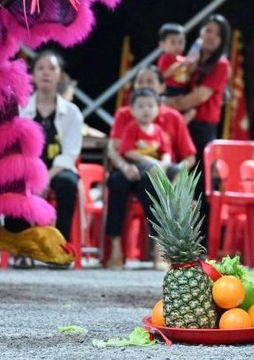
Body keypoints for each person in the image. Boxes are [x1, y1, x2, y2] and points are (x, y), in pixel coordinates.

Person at [105, 65, 196, 269]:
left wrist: (172, 173)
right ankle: (116, 249)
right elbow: (116, 148)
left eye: (150, 82)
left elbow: (188, 157)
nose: (145, 86)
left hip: (159, 174)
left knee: (155, 182)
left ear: (162, 87)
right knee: (117, 182)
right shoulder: (125, 115)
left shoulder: (172, 116)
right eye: (140, 82)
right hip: (129, 171)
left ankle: (161, 249)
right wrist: (125, 166)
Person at [163, 14, 231, 242]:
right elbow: (169, 78)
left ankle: (201, 245)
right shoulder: (191, 59)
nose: (209, 36)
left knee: (200, 186)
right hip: (182, 125)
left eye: (216, 33)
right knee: (179, 183)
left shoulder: (221, 65)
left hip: (203, 129)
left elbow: (199, 97)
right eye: (206, 30)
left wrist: (165, 103)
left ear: (223, 39)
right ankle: (175, 242)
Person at [14, 49, 84, 252]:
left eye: (51, 68)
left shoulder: (72, 112)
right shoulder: (20, 108)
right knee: (15, 183)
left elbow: (70, 154)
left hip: (58, 170)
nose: (46, 73)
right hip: (27, 169)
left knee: (67, 183)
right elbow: (15, 147)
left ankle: (60, 247)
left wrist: (44, 178)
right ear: (33, 75)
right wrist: (34, 176)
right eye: (40, 68)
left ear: (60, 76)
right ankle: (23, 249)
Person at [155, 22, 195, 98]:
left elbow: (190, 72)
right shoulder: (165, 58)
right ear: (162, 45)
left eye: (181, 42)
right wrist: (180, 64)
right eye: (173, 43)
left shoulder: (183, 59)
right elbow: (163, 76)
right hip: (169, 90)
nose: (177, 46)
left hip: (183, 89)